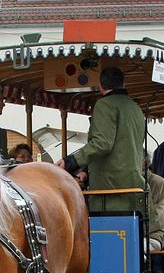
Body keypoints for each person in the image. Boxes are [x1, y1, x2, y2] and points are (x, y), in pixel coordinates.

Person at [58, 66, 146, 212]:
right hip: (133, 186)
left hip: (109, 192)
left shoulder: (105, 104)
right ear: (123, 84)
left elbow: (102, 144)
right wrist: (86, 171)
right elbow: (122, 148)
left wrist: (70, 162)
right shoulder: (136, 108)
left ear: (101, 87)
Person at [144, 151, 164, 252]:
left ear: (145, 160)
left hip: (154, 235)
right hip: (130, 234)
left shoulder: (157, 182)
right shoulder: (128, 181)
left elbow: (158, 219)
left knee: (133, 250)